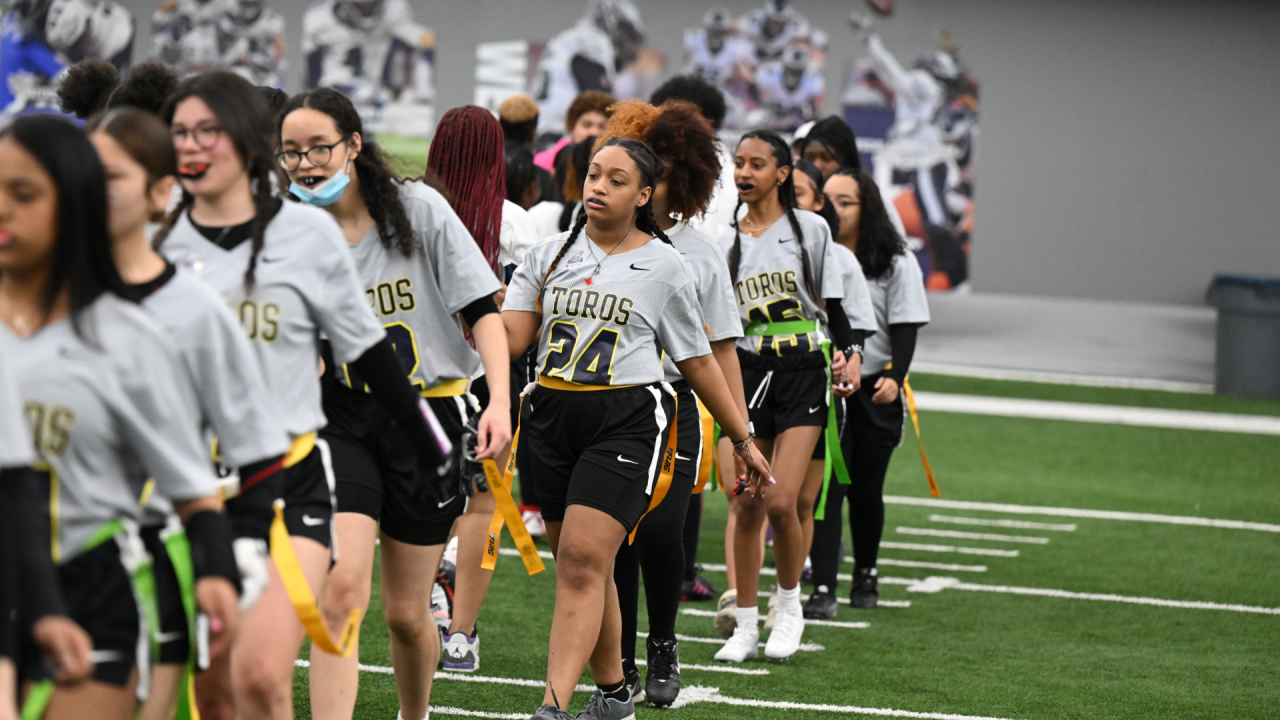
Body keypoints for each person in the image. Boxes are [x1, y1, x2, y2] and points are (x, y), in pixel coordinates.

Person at [155, 72, 449, 720]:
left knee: (262, 677)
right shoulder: (159, 244)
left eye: (211, 132)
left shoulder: (307, 235)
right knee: (208, 684)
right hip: (188, 485)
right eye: (181, 133)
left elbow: (368, 349)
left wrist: (429, 439)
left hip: (286, 474)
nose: (194, 147)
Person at [503, 137, 772, 720]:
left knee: (580, 560)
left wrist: (742, 437)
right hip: (549, 415)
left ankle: (552, 707)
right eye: (594, 174)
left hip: (626, 420)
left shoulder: (665, 262)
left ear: (644, 194)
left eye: (616, 179)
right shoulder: (547, 254)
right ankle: (616, 694)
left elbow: (698, 361)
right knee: (582, 567)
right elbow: (511, 339)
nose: (598, 186)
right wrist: (463, 306)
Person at [0, 114, 241, 720]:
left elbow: (191, 485)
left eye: (23, 194)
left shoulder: (129, 338)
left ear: (74, 207)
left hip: (90, 587)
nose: (2, 208)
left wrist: (216, 572)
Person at [86, 104, 292, 720]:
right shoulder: (35, 289)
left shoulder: (197, 310)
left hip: (140, 560)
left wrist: (244, 546)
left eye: (109, 176)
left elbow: (255, 442)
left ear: (160, 192)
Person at [593, 100, 745, 707]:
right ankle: (622, 656)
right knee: (618, 537)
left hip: (676, 407)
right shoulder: (595, 240)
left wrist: (741, 434)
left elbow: (722, 350)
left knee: (660, 529)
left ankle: (663, 642)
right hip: (609, 405)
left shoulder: (698, 250)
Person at [713, 130, 863, 663]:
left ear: (782, 172)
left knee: (782, 499)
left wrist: (852, 354)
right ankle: (747, 625)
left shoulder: (811, 231)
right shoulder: (724, 237)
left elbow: (837, 309)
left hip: (804, 367)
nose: (745, 172)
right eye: (738, 163)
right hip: (750, 369)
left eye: (757, 163)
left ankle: (791, 607)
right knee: (747, 501)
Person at [808, 168, 929, 613]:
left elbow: (906, 324)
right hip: (827, 385)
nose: (834, 210)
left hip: (875, 385)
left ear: (868, 208)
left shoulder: (895, 262)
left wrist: (895, 377)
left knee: (865, 489)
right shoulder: (816, 254)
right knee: (827, 488)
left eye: (846, 202)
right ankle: (823, 586)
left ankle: (866, 574)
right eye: (829, 201)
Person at [425, 104, 518, 675]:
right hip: (494, 381)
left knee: (418, 510)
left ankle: (423, 608)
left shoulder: (412, 215)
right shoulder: (516, 224)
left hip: (428, 382)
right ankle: (462, 636)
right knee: (486, 505)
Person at [533, 90, 615, 172]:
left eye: (603, 127)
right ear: (572, 127)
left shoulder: (621, 166)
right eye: (587, 125)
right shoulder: (541, 165)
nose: (594, 132)